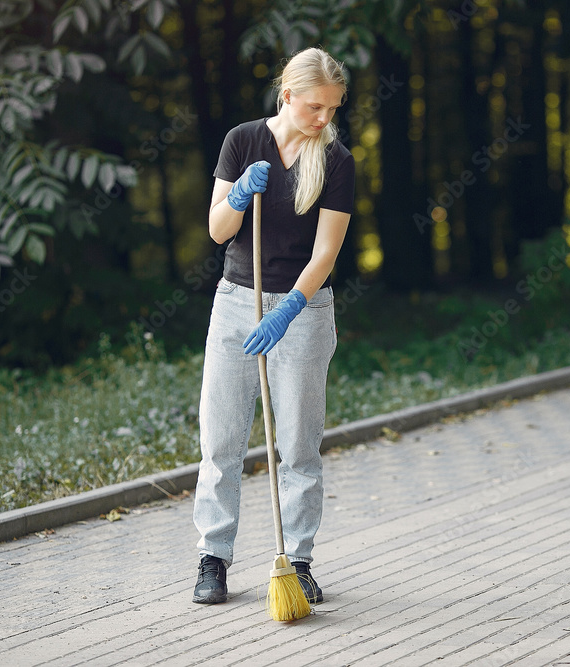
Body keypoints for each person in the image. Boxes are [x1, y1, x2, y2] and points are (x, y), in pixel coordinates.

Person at [191, 47, 355, 605]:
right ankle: (213, 558)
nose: (324, 119)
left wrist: (288, 311)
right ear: (287, 95)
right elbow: (217, 231)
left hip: (303, 310)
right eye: (315, 107)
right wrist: (237, 195)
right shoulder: (242, 142)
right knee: (221, 437)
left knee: (299, 446)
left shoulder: (336, 162)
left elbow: (326, 252)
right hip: (237, 301)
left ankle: (299, 560)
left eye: (333, 108)